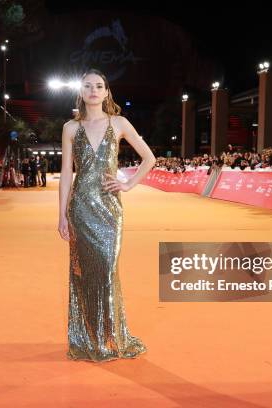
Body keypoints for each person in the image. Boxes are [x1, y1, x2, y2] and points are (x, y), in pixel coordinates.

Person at [58, 68, 156, 362]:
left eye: (99, 86)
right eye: (88, 86)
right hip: (81, 209)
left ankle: (110, 337)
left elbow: (149, 158)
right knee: (84, 274)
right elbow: (66, 174)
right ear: (82, 92)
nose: (93, 90)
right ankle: (89, 337)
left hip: (110, 210)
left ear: (106, 92)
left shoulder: (120, 122)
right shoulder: (70, 128)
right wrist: (62, 215)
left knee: (108, 271)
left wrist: (127, 184)